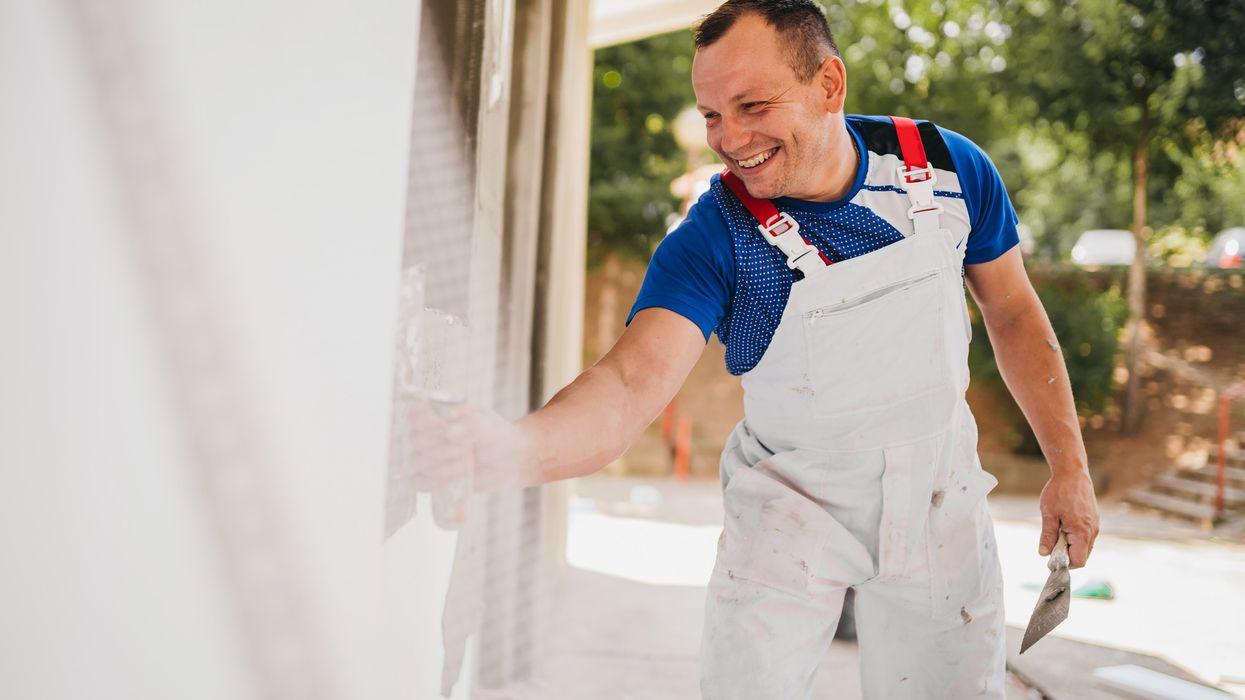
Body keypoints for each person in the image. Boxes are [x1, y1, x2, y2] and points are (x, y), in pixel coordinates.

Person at [418, 1, 1100, 697]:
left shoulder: (947, 172)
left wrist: (1068, 467)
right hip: (790, 516)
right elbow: (626, 386)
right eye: (712, 114)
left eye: (751, 105)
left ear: (828, 85)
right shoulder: (715, 238)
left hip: (939, 497)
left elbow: (1012, 312)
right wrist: (510, 449)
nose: (729, 138)